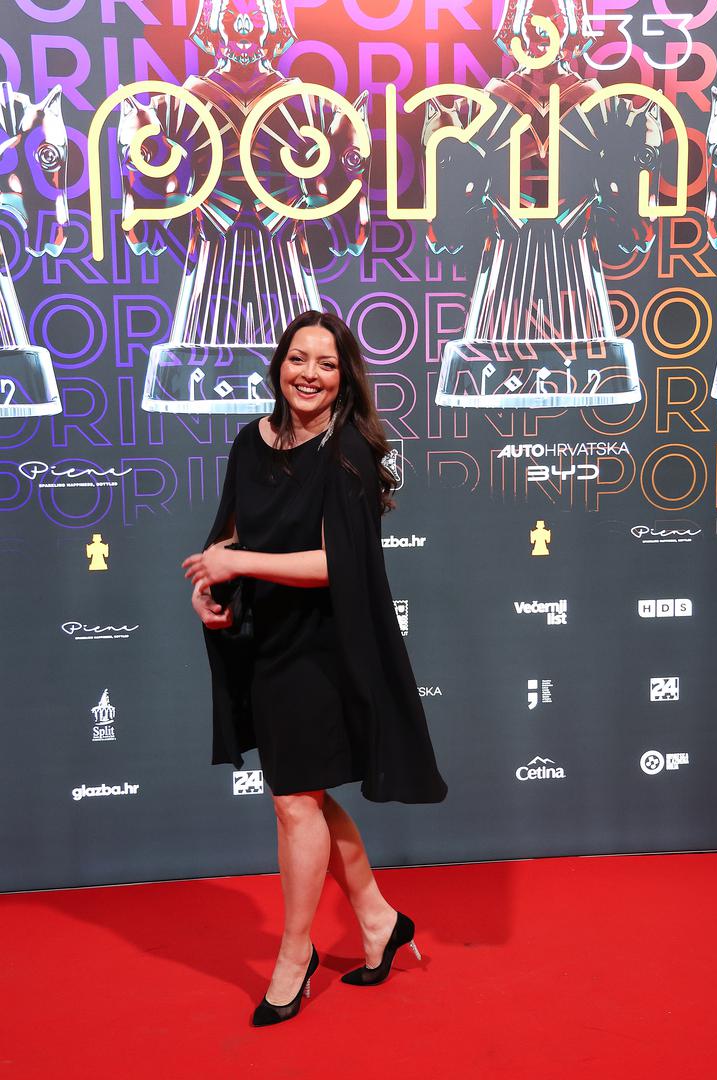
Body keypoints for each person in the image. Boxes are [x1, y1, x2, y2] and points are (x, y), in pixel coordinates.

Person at [182, 310, 447, 1027]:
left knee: (294, 800)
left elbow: (338, 563)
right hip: (269, 640)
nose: (309, 374)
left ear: (343, 377)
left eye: (326, 364)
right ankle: (379, 920)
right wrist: (212, 588)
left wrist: (239, 561)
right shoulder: (251, 441)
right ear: (278, 366)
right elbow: (232, 534)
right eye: (298, 359)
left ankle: (293, 956)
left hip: (328, 646)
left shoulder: (348, 451)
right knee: (303, 796)